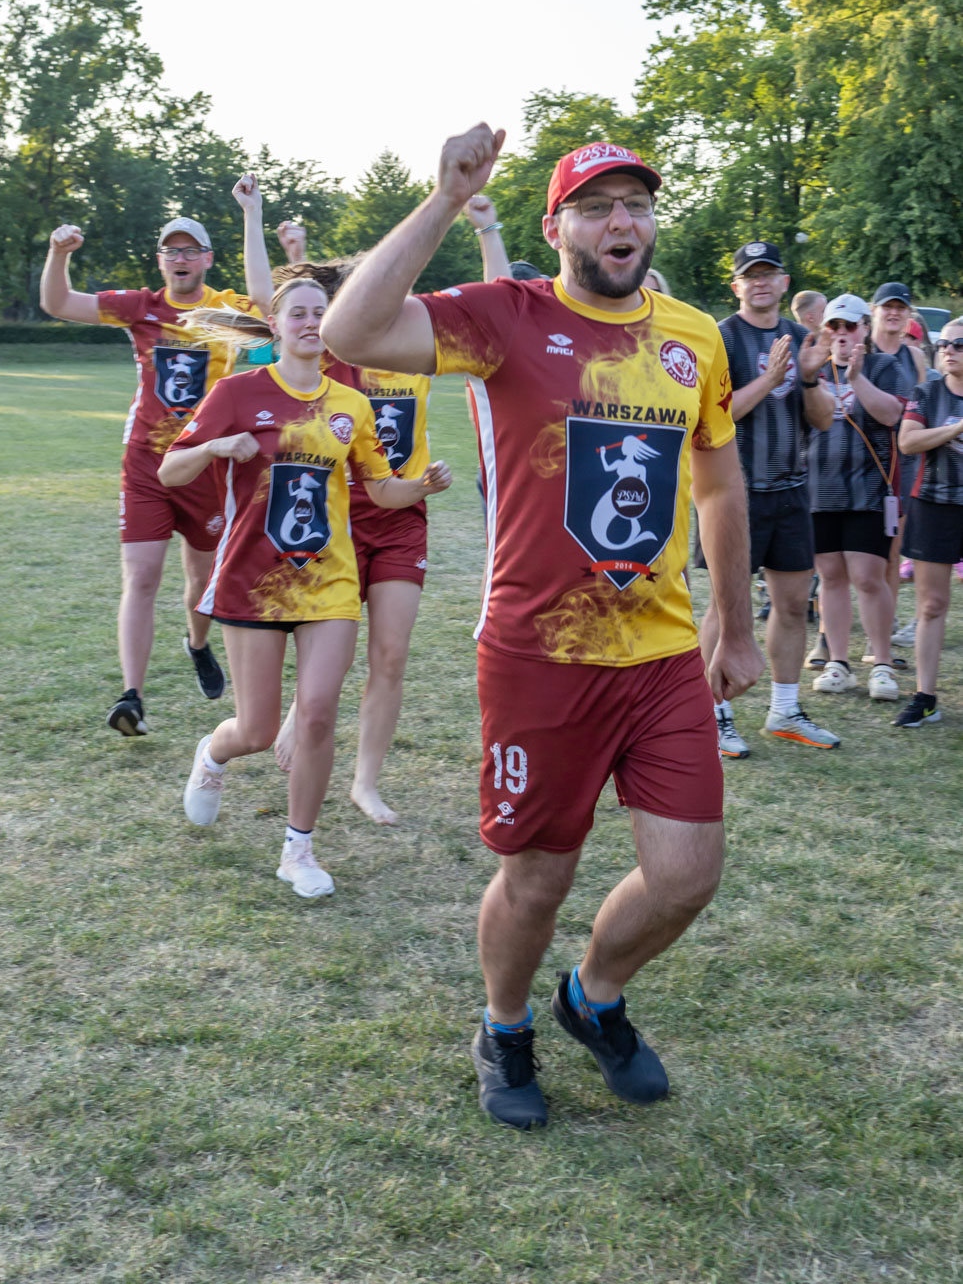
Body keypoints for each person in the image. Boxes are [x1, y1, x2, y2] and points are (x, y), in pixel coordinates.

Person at [321, 126, 763, 1131]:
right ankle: (504, 1025)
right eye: (596, 206)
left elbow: (717, 483)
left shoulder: (691, 337)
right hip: (538, 656)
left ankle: (592, 996)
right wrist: (443, 200)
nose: (620, 221)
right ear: (556, 227)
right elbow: (352, 330)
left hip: (659, 654)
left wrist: (732, 625)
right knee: (537, 877)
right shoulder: (505, 316)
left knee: (687, 876)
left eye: (635, 203)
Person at [158, 279, 452, 895]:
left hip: (329, 581)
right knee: (258, 731)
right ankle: (214, 754)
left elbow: (380, 490)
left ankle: (299, 851)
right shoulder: (237, 392)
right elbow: (171, 469)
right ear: (276, 323)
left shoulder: (352, 404)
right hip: (253, 581)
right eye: (299, 313)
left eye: (321, 312)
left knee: (317, 714)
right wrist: (216, 445)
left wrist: (421, 486)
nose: (311, 322)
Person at [269, 198, 509, 824]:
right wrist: (294, 256)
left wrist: (487, 228)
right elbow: (280, 306)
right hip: (340, 517)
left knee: (391, 654)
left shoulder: (415, 348)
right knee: (334, 646)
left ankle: (366, 782)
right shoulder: (335, 352)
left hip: (405, 515)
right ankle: (300, 709)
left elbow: (500, 310)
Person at [39, 180, 272, 735]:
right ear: (161, 260)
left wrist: (252, 215)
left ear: (207, 259)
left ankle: (197, 643)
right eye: (172, 250)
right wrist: (58, 253)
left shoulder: (226, 312)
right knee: (141, 578)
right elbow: (58, 303)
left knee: (200, 581)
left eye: (191, 250)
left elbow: (269, 309)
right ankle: (132, 697)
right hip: (146, 463)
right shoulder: (140, 307)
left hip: (206, 463)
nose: (180, 258)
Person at [697, 242, 837, 758]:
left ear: (783, 283)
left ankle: (785, 710)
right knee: (725, 606)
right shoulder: (720, 337)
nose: (759, 282)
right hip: (733, 494)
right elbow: (715, 415)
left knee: (794, 604)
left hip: (792, 490)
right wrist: (771, 379)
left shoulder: (803, 338)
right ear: (736, 285)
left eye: (768, 273)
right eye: (750, 275)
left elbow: (823, 418)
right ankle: (711, 714)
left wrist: (808, 376)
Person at [806, 295, 910, 702]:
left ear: (865, 328)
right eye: (834, 326)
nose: (841, 334)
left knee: (868, 576)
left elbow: (892, 415)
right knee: (830, 576)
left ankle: (881, 664)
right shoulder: (814, 367)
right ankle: (838, 663)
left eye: (849, 326)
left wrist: (856, 378)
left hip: (869, 489)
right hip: (820, 488)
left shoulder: (885, 366)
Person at [894, 318, 963, 726]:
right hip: (934, 504)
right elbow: (907, 441)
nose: (949, 350)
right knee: (932, 604)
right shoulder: (928, 392)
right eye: (944, 345)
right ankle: (925, 697)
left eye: (959, 344)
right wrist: (956, 428)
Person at [869, 283, 926, 645]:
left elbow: (920, 408)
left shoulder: (914, 357)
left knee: (891, 553)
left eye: (900, 308)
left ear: (908, 314)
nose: (894, 313)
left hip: (900, 466)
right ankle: (827, 636)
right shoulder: (860, 349)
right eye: (887, 307)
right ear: (873, 311)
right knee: (838, 558)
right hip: (856, 465)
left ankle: (884, 630)